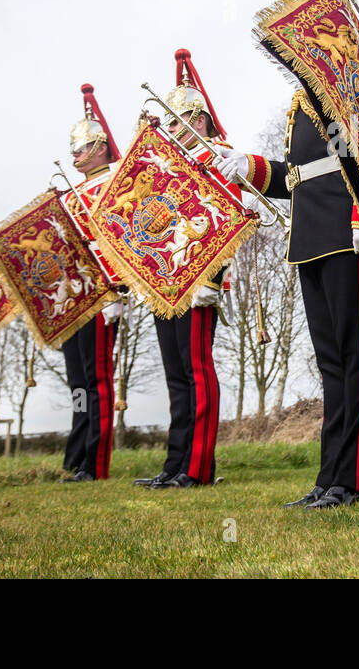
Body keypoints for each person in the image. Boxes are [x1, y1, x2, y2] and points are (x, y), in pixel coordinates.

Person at [215, 83, 359, 509]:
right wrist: (251, 165)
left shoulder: (353, 77)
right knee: (331, 363)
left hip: (351, 231)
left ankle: (357, 477)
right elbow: (299, 176)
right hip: (312, 235)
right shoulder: (304, 97)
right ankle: (330, 475)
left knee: (358, 358)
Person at [134, 50, 235, 489]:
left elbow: (226, 221)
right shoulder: (167, 166)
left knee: (197, 369)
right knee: (176, 374)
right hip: (166, 279)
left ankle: (198, 466)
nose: (169, 129)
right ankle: (175, 463)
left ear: (199, 118)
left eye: (176, 122)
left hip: (198, 282)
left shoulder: (219, 157)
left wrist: (211, 280)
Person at [57, 84, 123, 482]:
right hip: (74, 296)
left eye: (81, 149)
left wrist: (116, 291)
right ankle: (76, 455)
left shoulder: (115, 183)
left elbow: (117, 239)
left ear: (100, 147)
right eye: (73, 150)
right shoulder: (70, 193)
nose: (75, 156)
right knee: (78, 380)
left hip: (101, 292)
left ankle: (95, 465)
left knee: (97, 377)